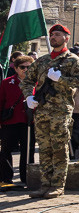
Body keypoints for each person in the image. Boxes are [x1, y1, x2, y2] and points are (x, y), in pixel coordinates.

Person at [21, 24, 79, 198]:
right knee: (44, 149)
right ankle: (45, 185)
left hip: (61, 111)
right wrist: (29, 96)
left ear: (66, 38)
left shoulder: (73, 60)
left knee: (59, 148)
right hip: (42, 110)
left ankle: (58, 185)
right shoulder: (42, 61)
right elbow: (27, 81)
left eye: (57, 34)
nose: (53, 37)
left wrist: (61, 79)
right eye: (52, 35)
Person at [1, 55, 34, 187]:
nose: (26, 69)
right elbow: (1, 102)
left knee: (28, 150)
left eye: (29, 67)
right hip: (10, 121)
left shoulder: (37, 83)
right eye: (22, 67)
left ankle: (27, 178)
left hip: (29, 122)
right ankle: (6, 179)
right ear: (16, 68)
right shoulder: (7, 82)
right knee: (6, 150)